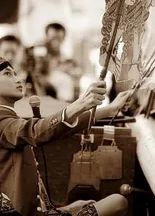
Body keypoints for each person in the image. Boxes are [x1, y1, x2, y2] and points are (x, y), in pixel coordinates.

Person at [0, 57, 130, 216]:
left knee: (114, 202)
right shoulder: (4, 122)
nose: (17, 79)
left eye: (15, 73)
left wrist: (109, 110)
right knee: (118, 202)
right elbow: (36, 130)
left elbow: (57, 129)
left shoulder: (9, 120)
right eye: (7, 74)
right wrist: (80, 103)